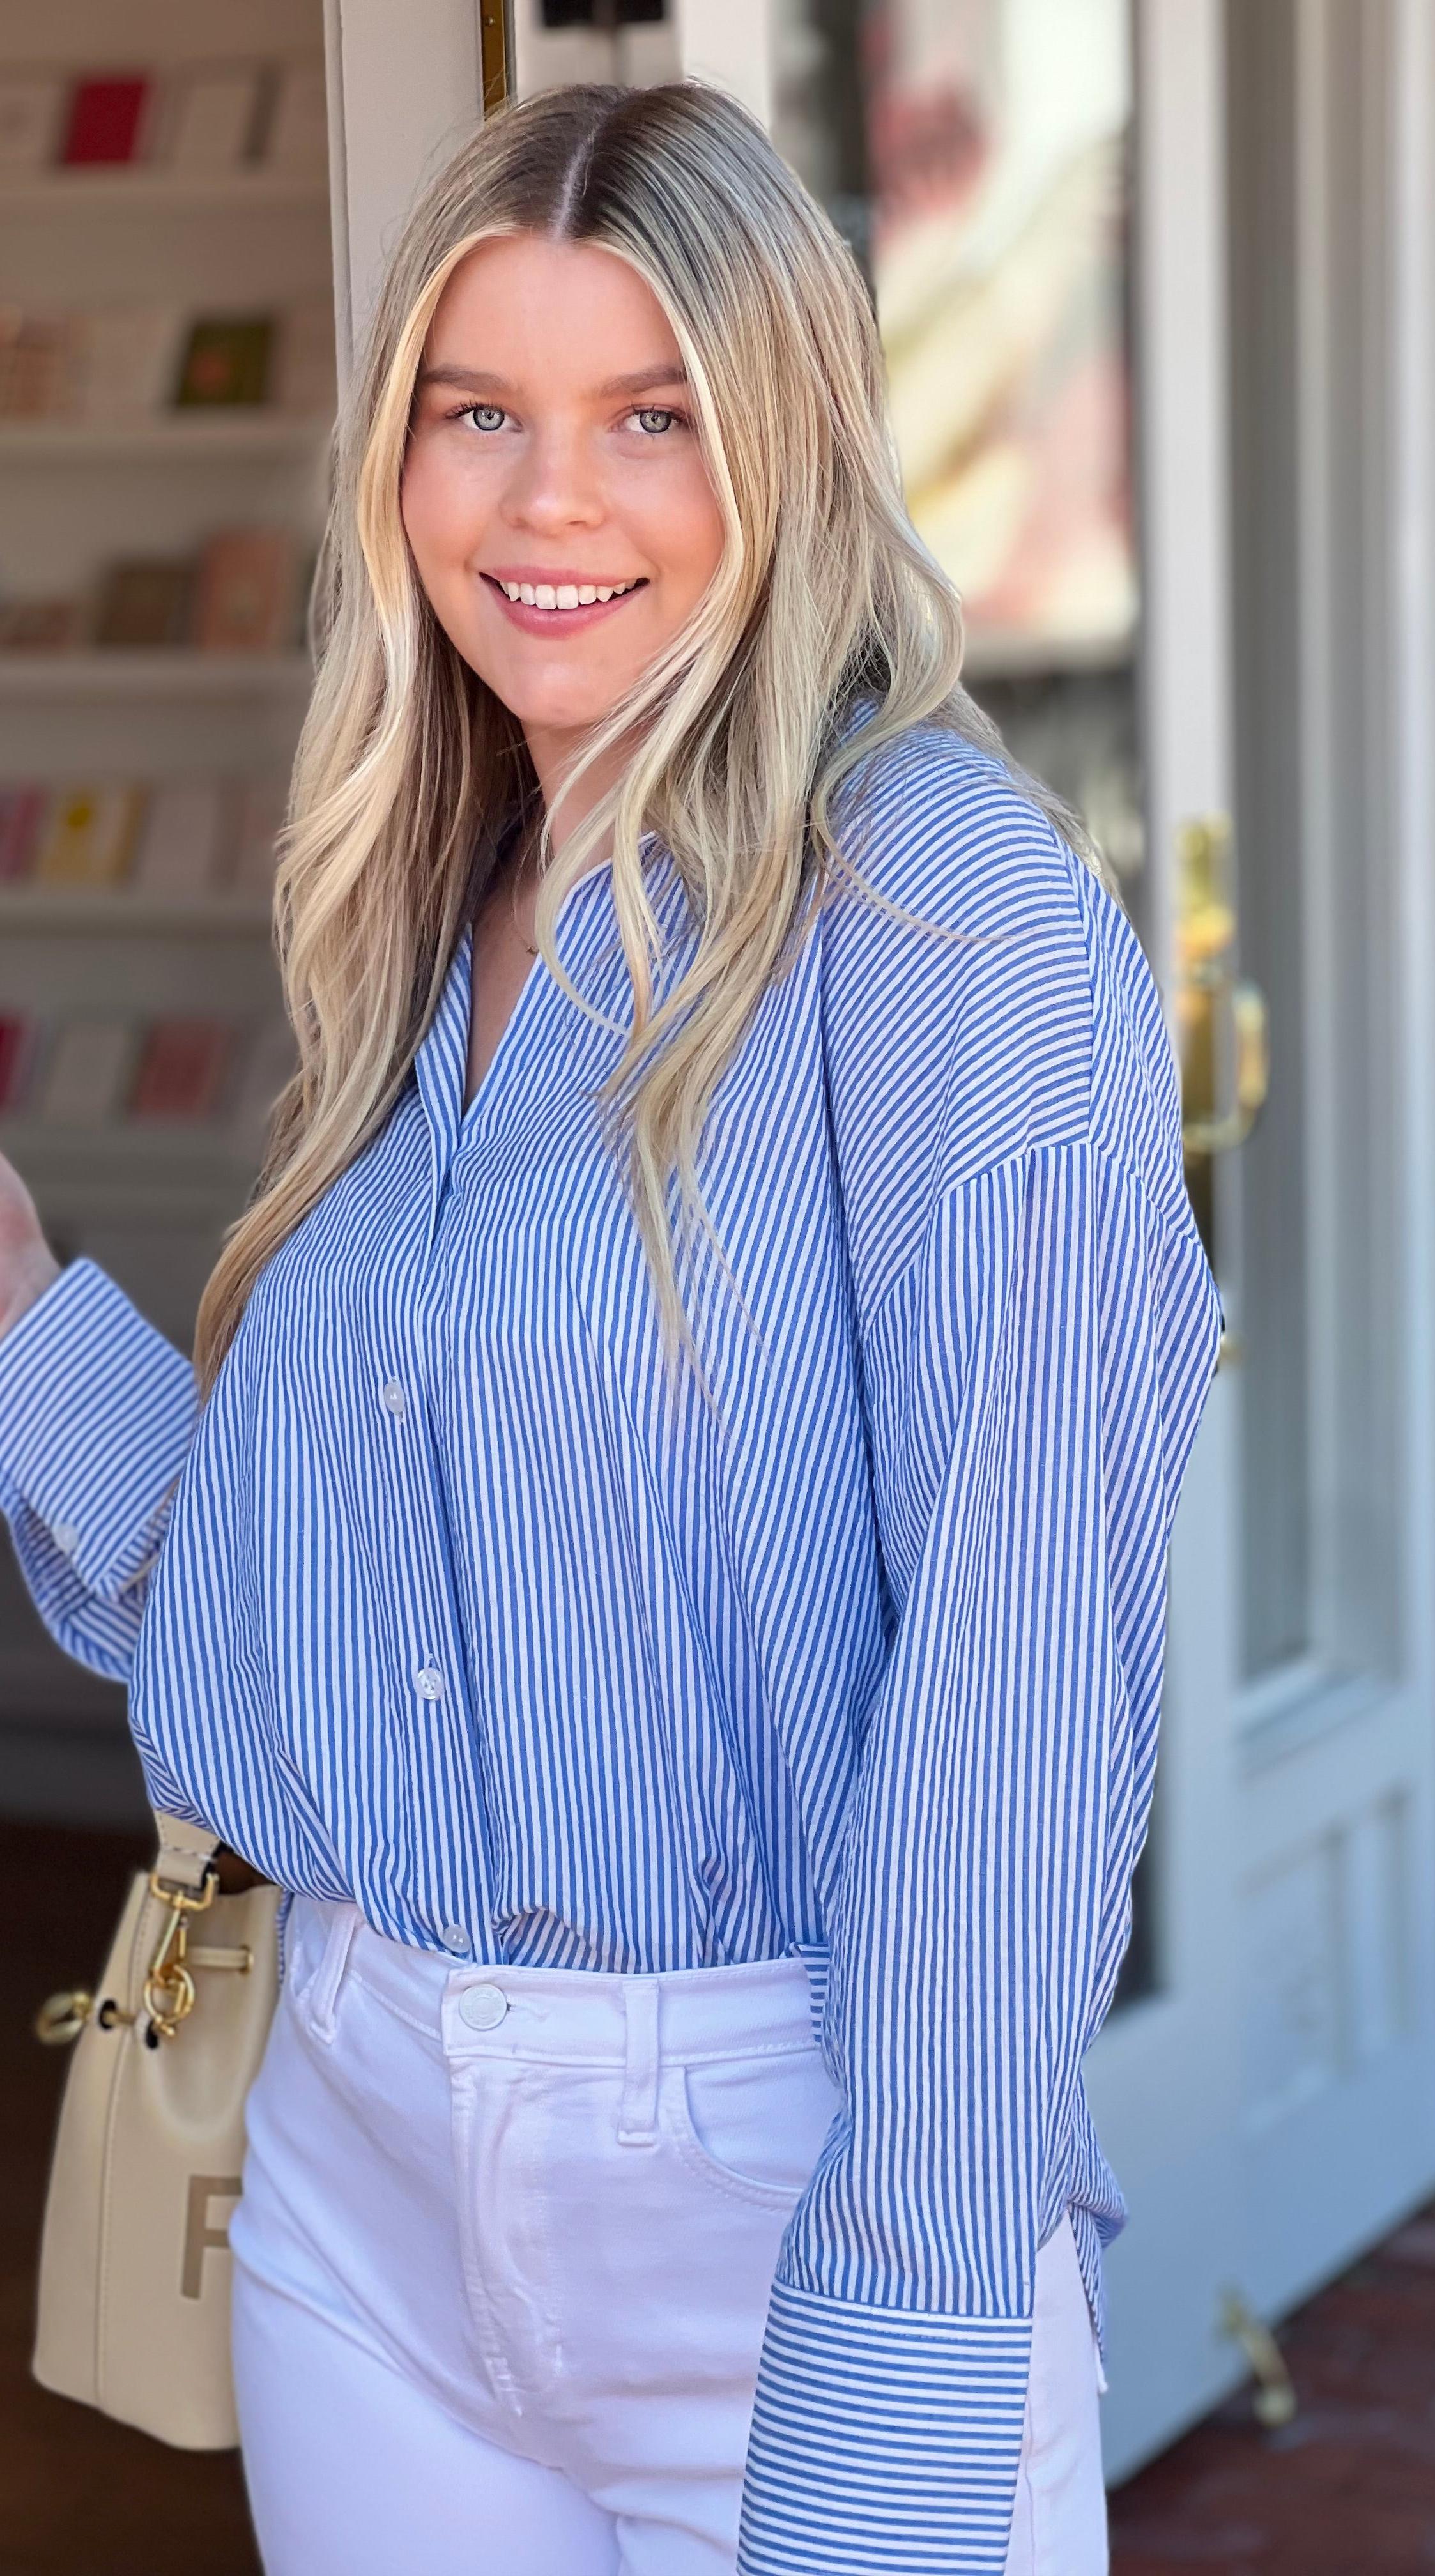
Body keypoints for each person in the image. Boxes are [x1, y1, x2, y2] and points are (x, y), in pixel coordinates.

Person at [0, 79, 1219, 2576]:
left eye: (646, 416)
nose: (549, 502)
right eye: (480, 415)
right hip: (359, 2174)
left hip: (782, 2199)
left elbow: (1009, 1751)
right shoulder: (436, 900)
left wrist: (892, 2394)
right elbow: (320, 1613)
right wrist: (23, 1312)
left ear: (779, 445)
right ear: (400, 460)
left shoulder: (950, 932)